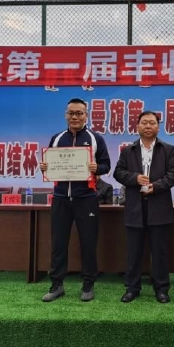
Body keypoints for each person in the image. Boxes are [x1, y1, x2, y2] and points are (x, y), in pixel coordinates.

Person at [40, 98, 111, 303]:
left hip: (86, 199)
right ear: (66, 115)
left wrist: (97, 168)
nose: (75, 117)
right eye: (71, 113)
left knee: (88, 243)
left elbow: (106, 165)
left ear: (86, 115)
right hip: (61, 198)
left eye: (79, 113)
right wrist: (45, 167)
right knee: (58, 243)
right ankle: (56, 285)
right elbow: (50, 164)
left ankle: (88, 284)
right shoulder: (56, 139)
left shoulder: (95, 139)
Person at [114, 111, 174, 303]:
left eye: (152, 123)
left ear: (158, 127)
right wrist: (134, 178)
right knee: (133, 251)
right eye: (144, 122)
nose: (148, 126)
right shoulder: (128, 150)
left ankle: (162, 289)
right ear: (137, 126)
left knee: (160, 251)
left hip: (159, 206)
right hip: (135, 206)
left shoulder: (168, 149)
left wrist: (156, 186)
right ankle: (132, 288)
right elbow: (118, 172)